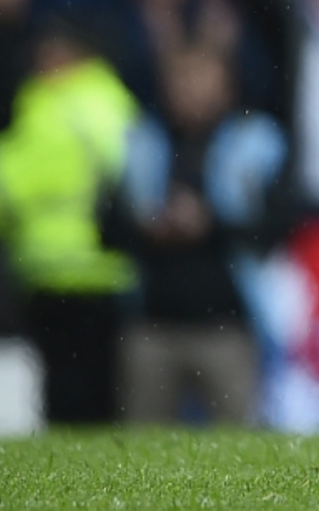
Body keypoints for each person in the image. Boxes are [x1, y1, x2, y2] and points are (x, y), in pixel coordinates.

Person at [0, 22, 140, 425]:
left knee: (64, 385)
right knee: (96, 385)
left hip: (62, 265)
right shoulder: (115, 102)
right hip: (103, 266)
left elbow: (4, 184)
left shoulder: (58, 104)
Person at [121, 43, 288, 425]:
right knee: (140, 450)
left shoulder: (255, 140)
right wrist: (149, 226)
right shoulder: (142, 140)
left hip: (226, 321)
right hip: (153, 318)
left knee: (240, 448)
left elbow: (276, 223)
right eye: (181, 79)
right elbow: (109, 222)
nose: (190, 90)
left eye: (200, 78)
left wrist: (210, 223)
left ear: (227, 86)